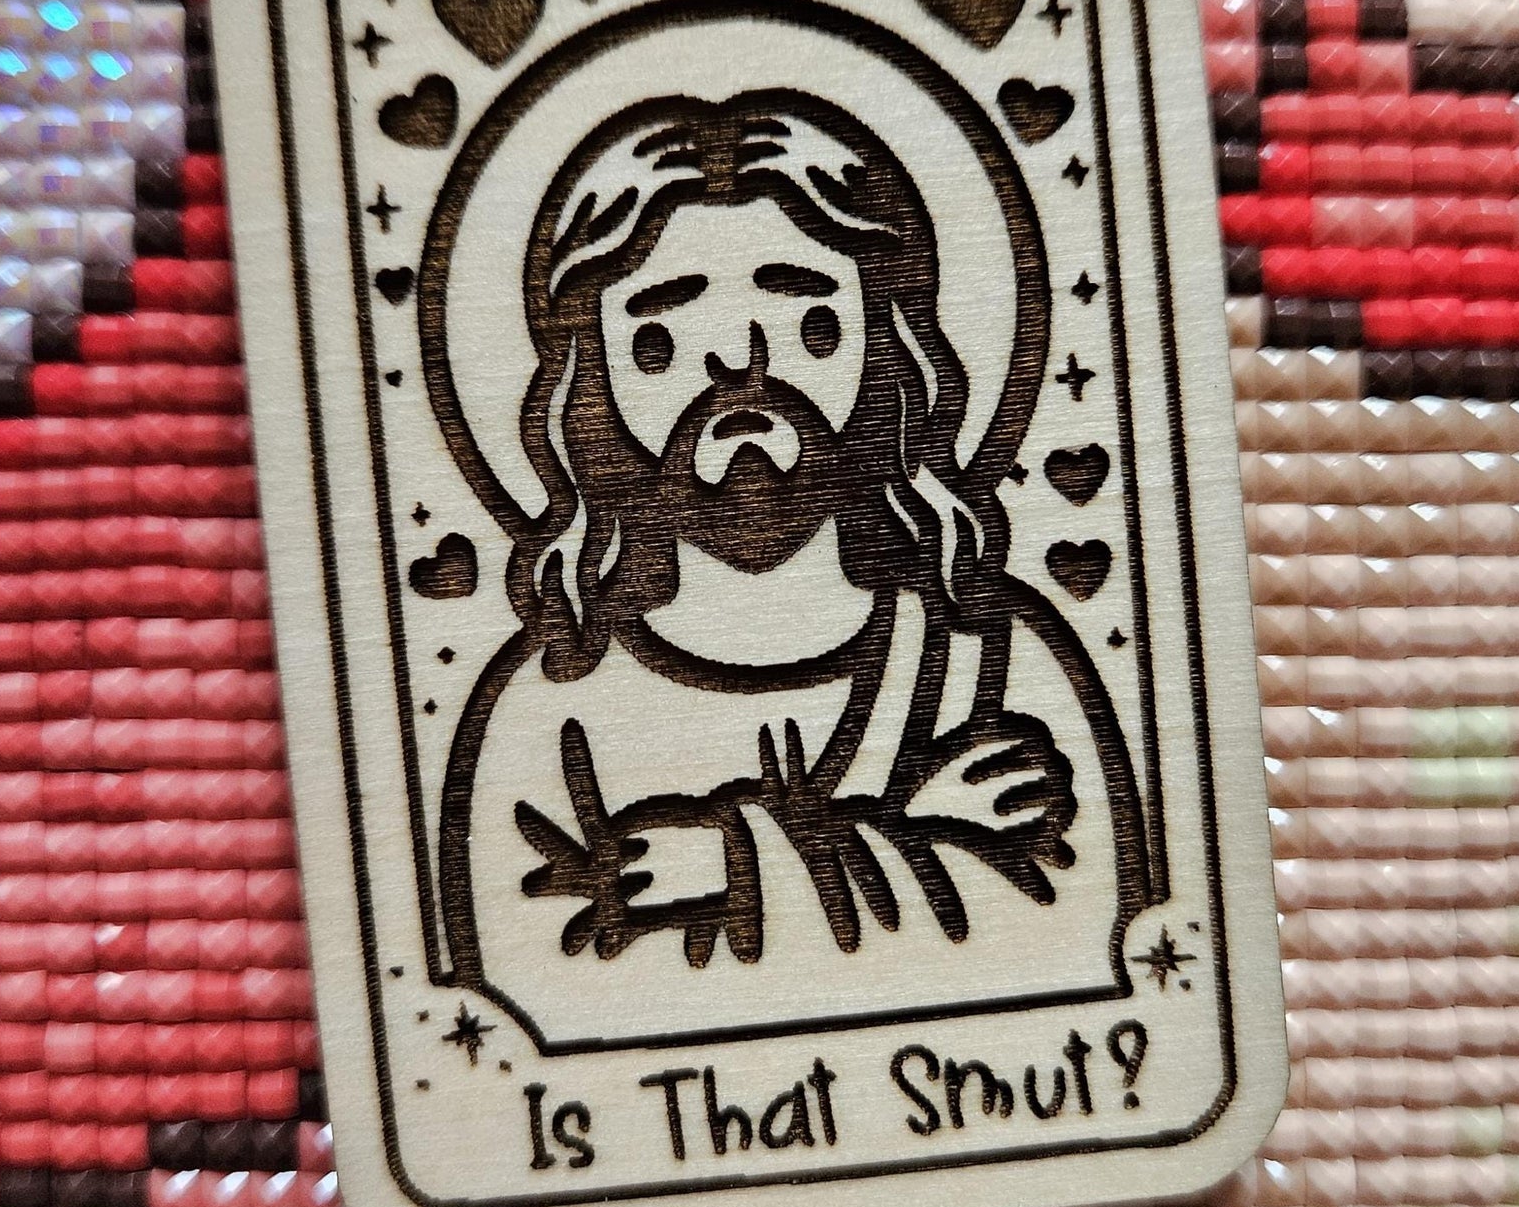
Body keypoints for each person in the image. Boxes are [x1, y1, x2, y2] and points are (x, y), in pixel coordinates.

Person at [438, 90, 1144, 1042]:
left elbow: (1080, 955)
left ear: (886, 349)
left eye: (809, 323)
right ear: (593, 386)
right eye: (661, 343)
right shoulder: (555, 704)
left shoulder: (992, 657)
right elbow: (535, 995)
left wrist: (731, 868)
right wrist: (914, 842)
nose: (741, 365)